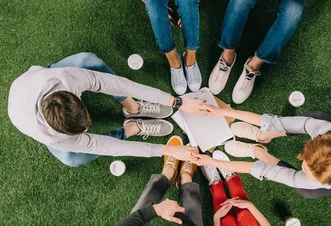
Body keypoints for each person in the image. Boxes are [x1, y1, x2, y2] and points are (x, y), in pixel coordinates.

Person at [8, 52, 205, 167]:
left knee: (87, 60)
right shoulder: (56, 139)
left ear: (77, 95)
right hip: (24, 110)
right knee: (71, 159)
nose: (86, 132)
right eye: (81, 133)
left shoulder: (67, 78)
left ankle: (132, 106)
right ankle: (130, 128)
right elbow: (110, 147)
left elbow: (120, 84)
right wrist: (166, 150)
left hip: (41, 77)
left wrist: (177, 102)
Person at [197, 107, 331, 197]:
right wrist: (223, 111)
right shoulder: (321, 127)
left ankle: (260, 152)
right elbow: (276, 121)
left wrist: (213, 163)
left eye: (310, 174)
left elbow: (261, 170)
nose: (306, 176)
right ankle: (263, 136)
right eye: (306, 169)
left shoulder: (317, 182)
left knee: (304, 190)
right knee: (314, 115)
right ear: (317, 138)